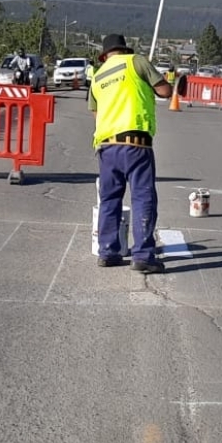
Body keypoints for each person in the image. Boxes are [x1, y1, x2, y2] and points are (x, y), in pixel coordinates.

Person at [88, 34, 172, 273]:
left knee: (109, 200)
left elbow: (96, 113)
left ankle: (108, 252)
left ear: (104, 55)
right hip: (136, 145)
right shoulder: (136, 61)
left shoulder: (98, 75)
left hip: (106, 147)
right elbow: (164, 91)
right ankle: (144, 255)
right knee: (143, 198)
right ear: (124, 50)